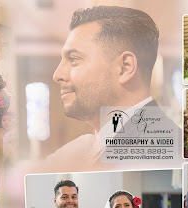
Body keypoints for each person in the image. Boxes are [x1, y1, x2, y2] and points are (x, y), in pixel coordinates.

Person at [44, 6, 176, 171]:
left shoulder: (160, 157)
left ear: (125, 67)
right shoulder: (85, 148)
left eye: (74, 59)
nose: (57, 75)